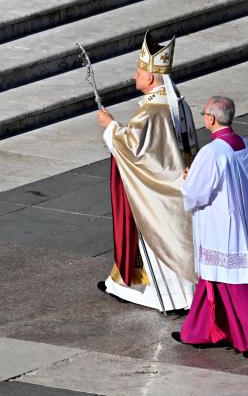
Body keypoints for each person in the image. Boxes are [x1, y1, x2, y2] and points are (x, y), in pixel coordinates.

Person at [95, 31, 199, 312]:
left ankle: (173, 298)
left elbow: (133, 149)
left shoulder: (151, 113)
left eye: (139, 72)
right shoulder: (179, 104)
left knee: (161, 238)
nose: (134, 76)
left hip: (159, 193)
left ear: (152, 78)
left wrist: (110, 126)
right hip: (178, 184)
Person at [172, 97, 248, 352]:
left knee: (232, 284)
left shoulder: (211, 152)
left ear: (211, 119)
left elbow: (196, 194)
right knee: (212, 281)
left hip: (220, 228)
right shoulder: (242, 144)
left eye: (204, 113)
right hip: (239, 221)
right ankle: (198, 332)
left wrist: (186, 179)